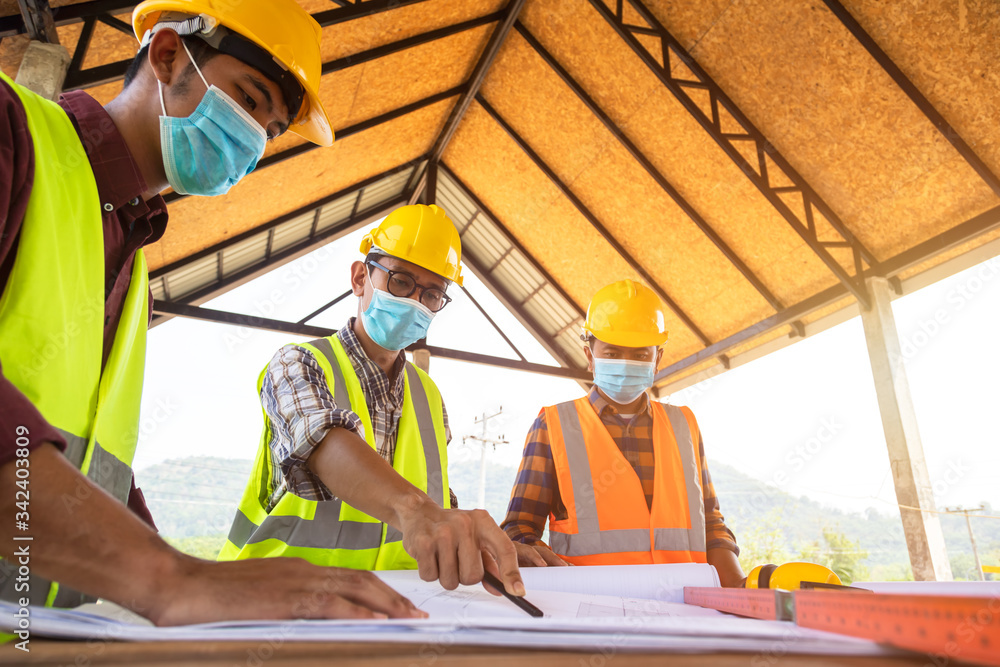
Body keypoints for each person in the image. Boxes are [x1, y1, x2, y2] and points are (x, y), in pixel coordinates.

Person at [0, 0, 425, 624]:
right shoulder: (13, 130)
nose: (254, 141)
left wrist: (179, 579)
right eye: (250, 101)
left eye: (272, 130)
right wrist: (167, 577)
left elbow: (94, 471)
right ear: (168, 54)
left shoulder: (132, 257)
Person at [219, 204, 524, 597]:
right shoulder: (298, 363)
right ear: (361, 277)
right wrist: (417, 513)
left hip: (389, 607)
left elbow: (438, 503)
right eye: (400, 282)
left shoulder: (429, 396)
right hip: (272, 603)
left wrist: (482, 546)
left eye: (432, 294)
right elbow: (323, 440)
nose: (415, 302)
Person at [501, 279, 746, 587]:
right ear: (590, 356)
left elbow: (711, 523)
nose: (625, 363)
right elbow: (519, 529)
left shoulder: (684, 424)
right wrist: (552, 572)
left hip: (688, 608)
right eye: (613, 353)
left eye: (640, 354)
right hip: (593, 609)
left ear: (658, 359)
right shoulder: (553, 425)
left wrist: (738, 588)